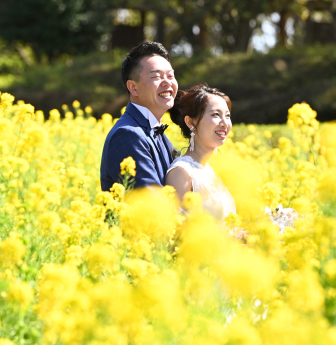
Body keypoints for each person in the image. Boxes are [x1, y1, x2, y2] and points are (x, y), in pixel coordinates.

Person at [100, 42, 178, 191]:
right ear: (133, 88)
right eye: (156, 76)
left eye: (170, 75)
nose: (167, 82)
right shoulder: (128, 135)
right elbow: (151, 204)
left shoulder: (154, 131)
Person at [166, 84, 236, 221]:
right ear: (190, 122)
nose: (224, 123)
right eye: (216, 114)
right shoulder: (181, 173)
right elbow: (177, 231)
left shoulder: (210, 172)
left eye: (227, 116)